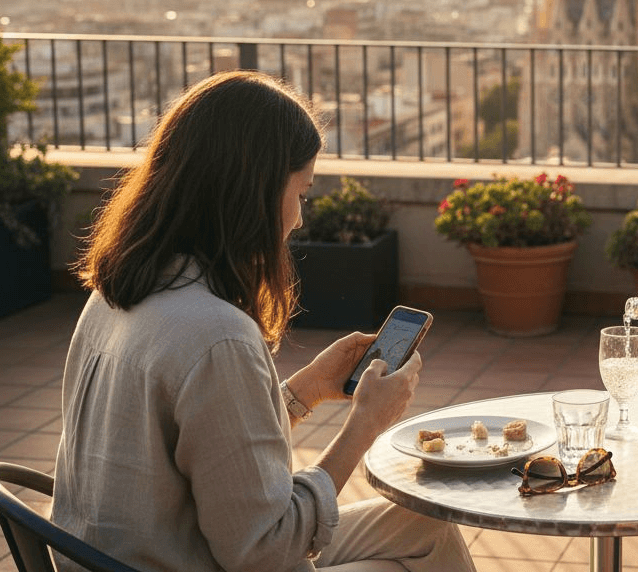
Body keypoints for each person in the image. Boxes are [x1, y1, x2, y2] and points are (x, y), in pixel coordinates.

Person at [55, 71, 475, 572]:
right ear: (252, 193)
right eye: (301, 192)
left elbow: (216, 446)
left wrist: (309, 388)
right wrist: (365, 425)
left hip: (125, 555)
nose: (299, 218)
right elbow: (265, 549)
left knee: (427, 526)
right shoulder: (218, 336)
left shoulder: (116, 292)